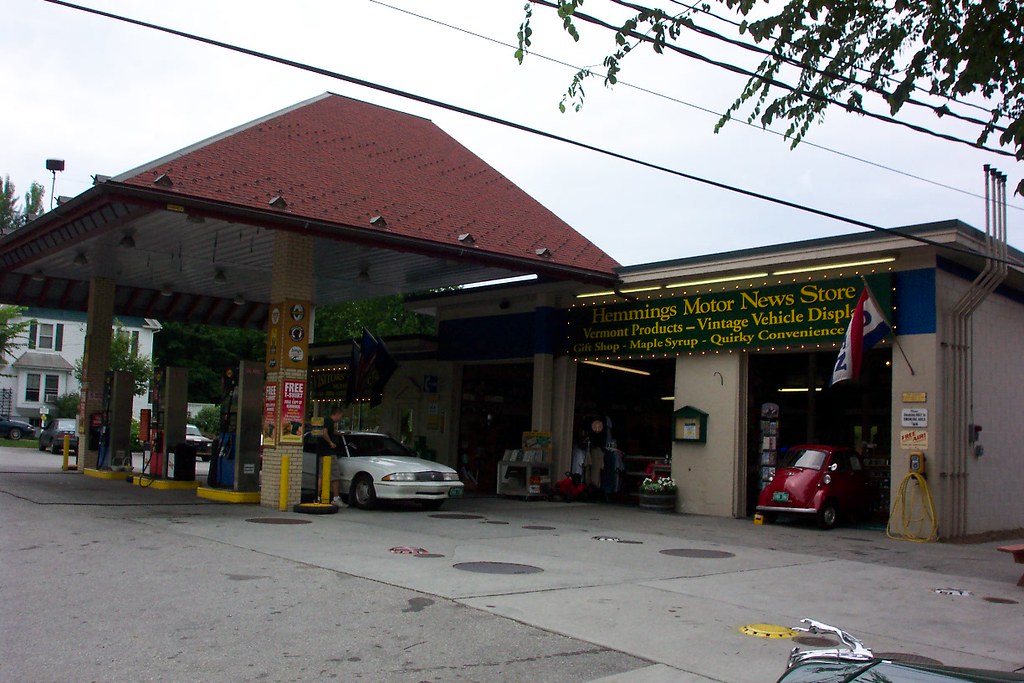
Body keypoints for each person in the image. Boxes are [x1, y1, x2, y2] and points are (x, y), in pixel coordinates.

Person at [318, 406, 347, 507]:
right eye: (341, 416)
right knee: (335, 475)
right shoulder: (329, 421)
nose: (340, 418)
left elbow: (330, 431)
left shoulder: (328, 422)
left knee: (321, 476)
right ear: (337, 414)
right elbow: (324, 432)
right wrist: (331, 442)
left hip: (322, 453)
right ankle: (336, 498)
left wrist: (341, 433)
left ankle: (319, 497)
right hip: (329, 453)